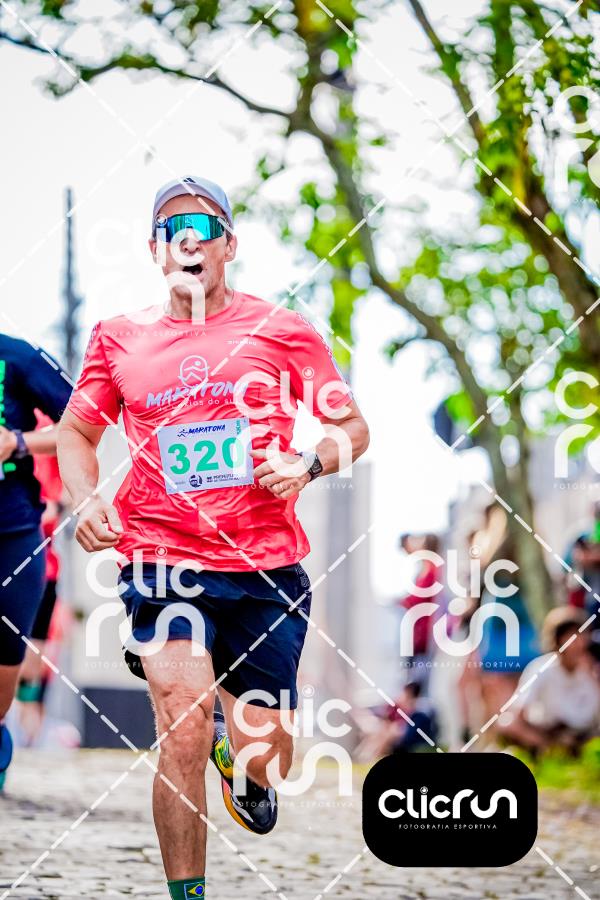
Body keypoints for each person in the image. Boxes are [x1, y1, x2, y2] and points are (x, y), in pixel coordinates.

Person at [57, 176, 370, 900]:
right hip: (161, 556)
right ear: (155, 250)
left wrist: (306, 463)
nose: (187, 239)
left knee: (268, 753)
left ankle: (245, 763)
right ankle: (187, 893)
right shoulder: (118, 337)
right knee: (183, 724)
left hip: (265, 567)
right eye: (172, 229)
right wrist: (85, 497)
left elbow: (353, 429)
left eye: (202, 226)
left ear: (229, 244)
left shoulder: (282, 330)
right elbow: (76, 432)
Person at [0, 334, 72, 788]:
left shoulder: (17, 357)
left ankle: (9, 732)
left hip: (14, 536)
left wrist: (16, 442)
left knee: (15, 665)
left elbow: (86, 419)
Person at [500, 606, 600, 754]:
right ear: (557, 640)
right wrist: (547, 742)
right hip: (549, 734)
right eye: (572, 637)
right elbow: (515, 717)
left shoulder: (591, 670)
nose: (579, 643)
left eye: (582, 636)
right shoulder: (542, 668)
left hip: (585, 736)